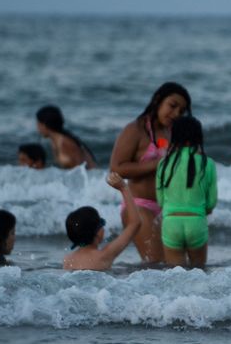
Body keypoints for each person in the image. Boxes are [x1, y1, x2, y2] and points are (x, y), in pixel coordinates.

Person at [109, 82, 192, 263]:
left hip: (166, 207)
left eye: (182, 110)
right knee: (155, 266)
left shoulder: (171, 132)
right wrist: (158, 163)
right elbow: (116, 169)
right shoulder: (135, 130)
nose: (176, 113)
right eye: (172, 106)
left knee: (177, 266)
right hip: (139, 206)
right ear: (157, 100)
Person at [156, 116, 218, 268]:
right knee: (199, 275)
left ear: (174, 136)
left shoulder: (163, 163)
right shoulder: (207, 163)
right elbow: (211, 203)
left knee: (175, 277)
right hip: (196, 222)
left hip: (171, 223)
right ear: (198, 137)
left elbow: (160, 201)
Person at [63, 172, 141, 271]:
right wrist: (124, 188)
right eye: (102, 223)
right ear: (98, 232)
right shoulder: (104, 256)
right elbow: (135, 223)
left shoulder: (67, 260)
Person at [35, 105, 97, 169]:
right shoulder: (55, 141)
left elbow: (82, 168)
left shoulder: (65, 143)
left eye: (38, 124)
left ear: (44, 124)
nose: (37, 128)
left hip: (91, 177)